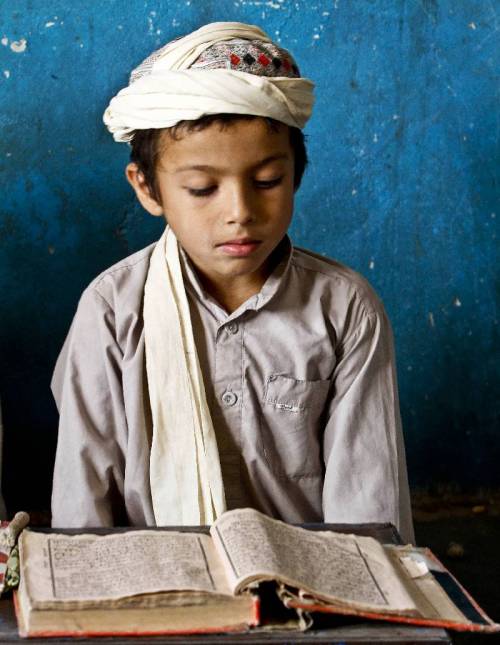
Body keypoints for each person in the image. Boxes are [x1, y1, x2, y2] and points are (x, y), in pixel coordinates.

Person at [51, 22, 414, 543]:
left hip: (309, 588)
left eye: (268, 182)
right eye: (202, 189)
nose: (240, 213)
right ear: (148, 189)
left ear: (297, 176)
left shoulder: (344, 307)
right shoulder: (112, 310)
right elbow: (83, 503)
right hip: (159, 585)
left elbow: (369, 505)